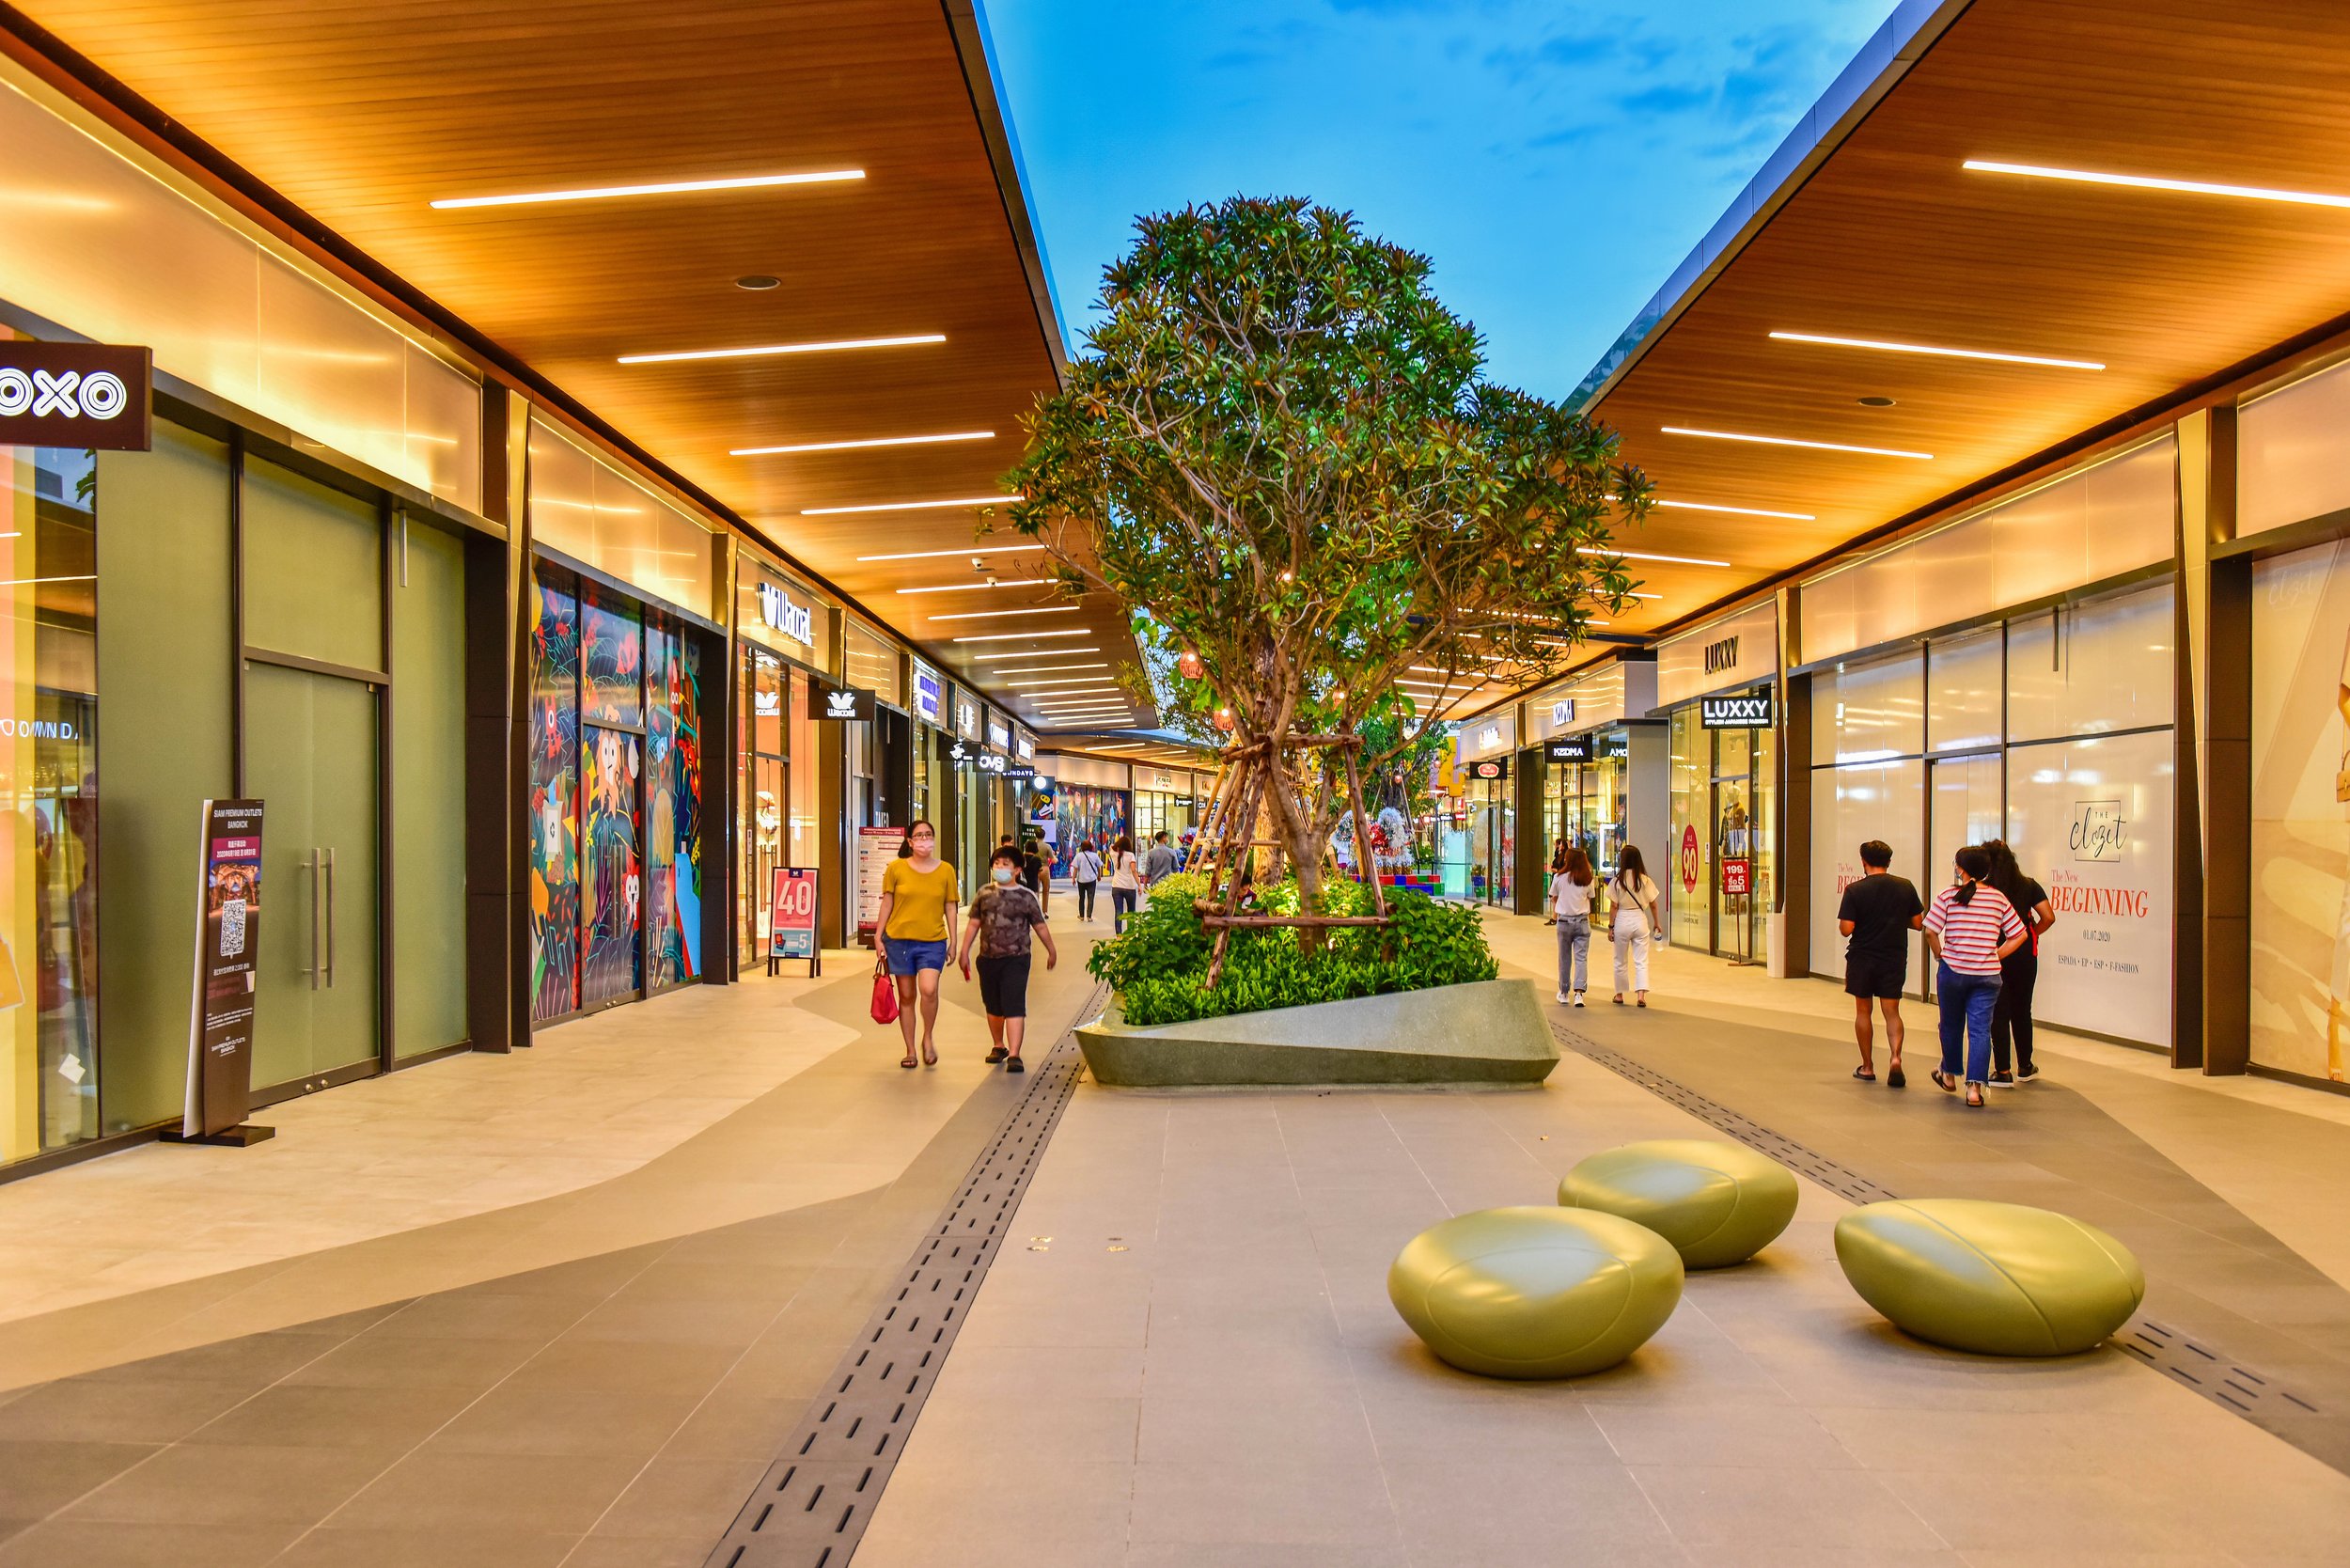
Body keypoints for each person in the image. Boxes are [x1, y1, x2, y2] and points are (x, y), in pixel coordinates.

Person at [1921, 844, 2029, 1108]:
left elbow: (1930, 931)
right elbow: (2020, 934)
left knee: (1950, 1025)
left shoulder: (1948, 895)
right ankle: (1974, 1090)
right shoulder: (1998, 898)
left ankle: (1949, 1075)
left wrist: (1940, 956)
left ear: (1960, 869)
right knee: (1980, 1031)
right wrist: (1996, 955)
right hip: (1987, 975)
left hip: (1954, 971)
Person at [958, 844, 1058, 1073]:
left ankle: (1014, 1054)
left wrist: (1051, 949)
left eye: (1005, 864)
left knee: (1014, 1004)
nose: (1000, 868)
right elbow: (974, 923)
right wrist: (964, 951)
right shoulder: (984, 893)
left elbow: (1039, 925)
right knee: (993, 1005)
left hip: (1017, 958)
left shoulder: (1026, 896)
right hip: (988, 958)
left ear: (1017, 870)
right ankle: (998, 1045)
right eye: (996, 864)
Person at [1837, 839, 1924, 1088]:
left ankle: (1867, 1066)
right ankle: (1895, 1057)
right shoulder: (1905, 886)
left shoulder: (1855, 890)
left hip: (1862, 957)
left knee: (1863, 1011)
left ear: (1863, 862)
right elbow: (1918, 923)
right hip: (1893, 956)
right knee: (1892, 1011)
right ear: (1889, 861)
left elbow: (1846, 929)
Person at [875, 820, 958, 1069]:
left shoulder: (946, 870)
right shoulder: (896, 869)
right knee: (907, 995)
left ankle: (928, 1037)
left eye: (928, 834)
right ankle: (910, 1050)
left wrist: (954, 941)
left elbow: (950, 906)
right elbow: (887, 903)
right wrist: (878, 936)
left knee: (929, 989)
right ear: (910, 842)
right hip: (899, 939)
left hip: (933, 940)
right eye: (919, 835)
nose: (924, 839)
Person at [1983, 839, 2055, 1086]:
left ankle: (2002, 1070)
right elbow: (2048, 916)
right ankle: (2025, 1065)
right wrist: (2031, 931)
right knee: (2022, 1009)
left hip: (1994, 953)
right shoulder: (2029, 885)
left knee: (1998, 1011)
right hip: (2024, 954)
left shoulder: (1985, 888)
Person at [1606, 845, 1662, 1007]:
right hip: (1640, 919)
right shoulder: (1644, 880)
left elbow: (1614, 906)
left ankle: (1619, 995)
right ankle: (1641, 996)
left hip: (1622, 919)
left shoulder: (1617, 881)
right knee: (1641, 960)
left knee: (1619, 960)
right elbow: (1653, 904)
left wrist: (1611, 927)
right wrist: (1657, 923)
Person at [1550, 845, 1596, 1006]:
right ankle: (1579, 994)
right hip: (1582, 921)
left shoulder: (1559, 878)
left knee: (1564, 958)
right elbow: (1590, 898)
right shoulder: (1588, 879)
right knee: (1581, 958)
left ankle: (1563, 992)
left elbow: (1553, 896)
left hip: (1564, 921)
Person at [1108, 835, 1143, 933]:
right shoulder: (1131, 855)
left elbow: (1111, 846)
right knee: (1131, 911)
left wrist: (1117, 845)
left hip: (1116, 886)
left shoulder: (1113, 853)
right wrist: (1139, 885)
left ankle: (1119, 934)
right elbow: (1133, 870)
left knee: (1118, 911)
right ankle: (1130, 932)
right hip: (1129, 886)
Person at [1069, 838, 1104, 922]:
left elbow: (1076, 868)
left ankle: (1081, 916)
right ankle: (1089, 916)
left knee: (1082, 898)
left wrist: (1073, 878)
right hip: (1092, 880)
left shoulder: (1079, 856)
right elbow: (1099, 866)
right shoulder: (1094, 855)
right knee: (1091, 898)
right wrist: (1099, 876)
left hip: (1081, 880)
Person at [1019, 835, 1051, 916]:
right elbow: (1039, 871)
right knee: (1043, 892)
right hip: (1033, 884)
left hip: (1022, 883)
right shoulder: (1037, 859)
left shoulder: (1021, 858)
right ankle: (1043, 912)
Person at [1545, 839, 1568, 926]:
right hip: (1556, 877)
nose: (1558, 846)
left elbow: (1564, 867)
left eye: (1560, 844)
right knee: (1554, 897)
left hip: (1560, 877)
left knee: (1555, 897)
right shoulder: (1559, 855)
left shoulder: (1565, 856)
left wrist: (1557, 870)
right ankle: (1555, 916)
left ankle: (1555, 917)